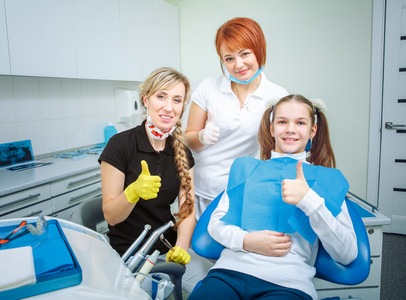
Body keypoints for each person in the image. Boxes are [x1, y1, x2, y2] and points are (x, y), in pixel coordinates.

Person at [188, 94, 358, 300]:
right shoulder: (246, 169)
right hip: (227, 275)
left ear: (313, 130)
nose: (290, 129)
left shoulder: (328, 180)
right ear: (271, 128)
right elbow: (216, 224)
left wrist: (310, 201)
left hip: (288, 285)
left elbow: (347, 254)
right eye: (282, 122)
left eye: (300, 123)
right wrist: (247, 241)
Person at [98, 67, 212, 294]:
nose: (169, 107)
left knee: (212, 285)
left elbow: (187, 209)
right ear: (146, 99)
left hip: (166, 248)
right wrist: (132, 193)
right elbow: (110, 216)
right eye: (161, 96)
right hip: (129, 253)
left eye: (177, 100)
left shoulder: (181, 152)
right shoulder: (120, 145)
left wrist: (182, 247)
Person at [184, 17, 288, 221]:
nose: (238, 64)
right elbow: (188, 139)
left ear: (259, 49)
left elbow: (282, 148)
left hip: (240, 192)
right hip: (201, 190)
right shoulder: (208, 87)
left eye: (245, 54)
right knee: (199, 250)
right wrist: (202, 137)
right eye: (229, 58)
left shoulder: (277, 96)